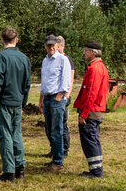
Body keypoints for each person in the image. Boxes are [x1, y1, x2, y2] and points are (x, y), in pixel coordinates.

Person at [0, 26, 30, 181]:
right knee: (16, 134)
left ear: (2, 40)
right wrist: (23, 103)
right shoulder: (24, 58)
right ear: (16, 40)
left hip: (5, 102)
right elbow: (27, 83)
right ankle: (20, 168)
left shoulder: (1, 57)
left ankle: (9, 172)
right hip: (18, 102)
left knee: (5, 134)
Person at [73, 41, 109, 178]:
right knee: (93, 139)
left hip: (92, 110)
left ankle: (96, 171)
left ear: (93, 52)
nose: (84, 53)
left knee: (90, 140)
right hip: (95, 109)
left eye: (86, 50)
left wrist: (84, 113)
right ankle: (96, 169)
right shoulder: (99, 67)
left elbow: (91, 93)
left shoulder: (95, 69)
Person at [39, 34, 72, 171]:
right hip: (47, 98)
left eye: (54, 45)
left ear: (57, 46)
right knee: (49, 129)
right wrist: (41, 100)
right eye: (49, 45)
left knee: (57, 130)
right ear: (45, 46)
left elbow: (66, 80)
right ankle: (54, 157)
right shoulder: (45, 61)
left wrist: (60, 96)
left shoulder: (63, 60)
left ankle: (58, 162)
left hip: (56, 99)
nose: (51, 47)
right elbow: (44, 81)